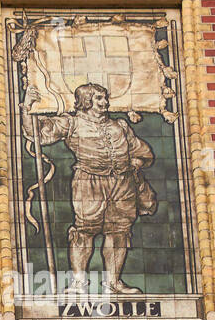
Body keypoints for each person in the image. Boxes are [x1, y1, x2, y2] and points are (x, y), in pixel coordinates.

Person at [26, 82, 156, 296]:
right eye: (98, 98)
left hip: (122, 184)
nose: (104, 102)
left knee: (119, 232)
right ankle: (79, 284)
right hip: (89, 183)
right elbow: (37, 132)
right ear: (86, 101)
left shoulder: (120, 126)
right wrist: (26, 108)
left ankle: (113, 283)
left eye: (105, 97)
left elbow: (141, 152)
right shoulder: (72, 124)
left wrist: (136, 163)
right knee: (84, 232)